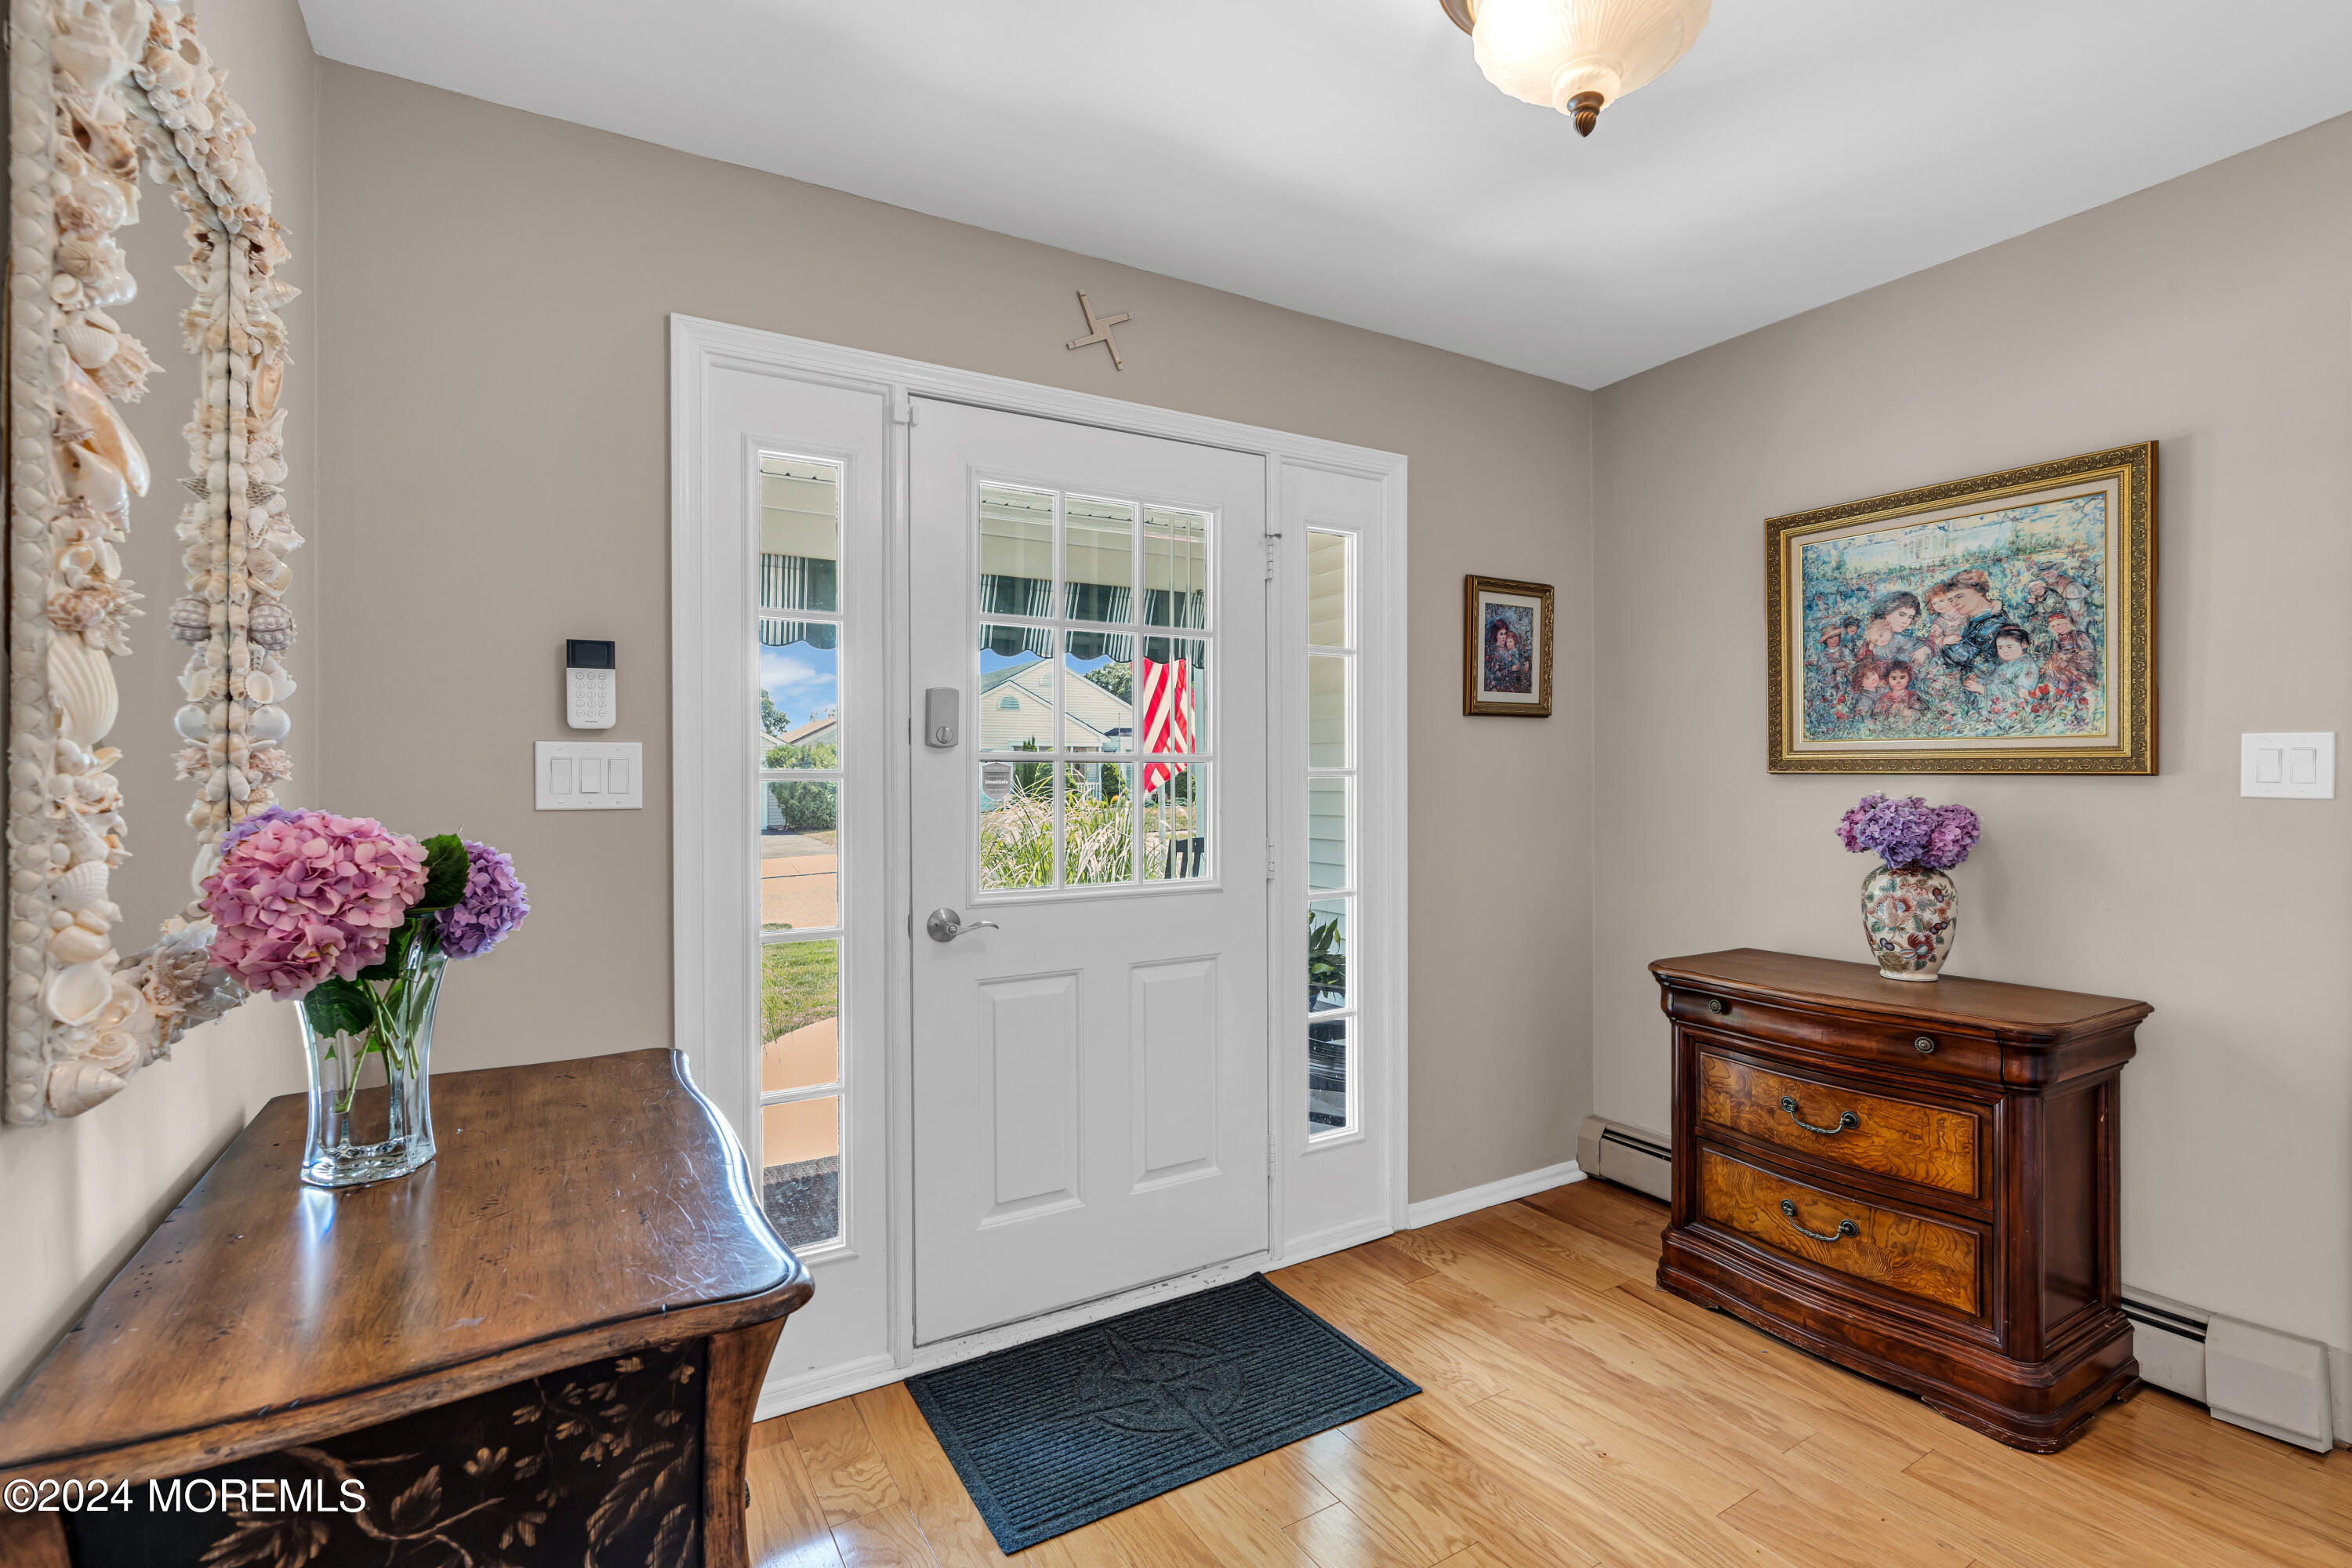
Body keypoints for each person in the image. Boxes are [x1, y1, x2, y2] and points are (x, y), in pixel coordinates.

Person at [1933, 569, 2009, 690]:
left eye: (1959, 596)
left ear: (1979, 591)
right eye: (1951, 600)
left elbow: (1957, 657)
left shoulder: (1993, 624)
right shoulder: (1974, 620)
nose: (1955, 604)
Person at [1978, 622, 2044, 706]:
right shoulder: (2004, 666)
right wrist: (1978, 682)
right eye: (2000, 647)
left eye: (2009, 647)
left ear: (2024, 644)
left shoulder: (2028, 666)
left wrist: (1984, 689)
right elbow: (1993, 681)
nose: (2004, 651)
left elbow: (2020, 691)